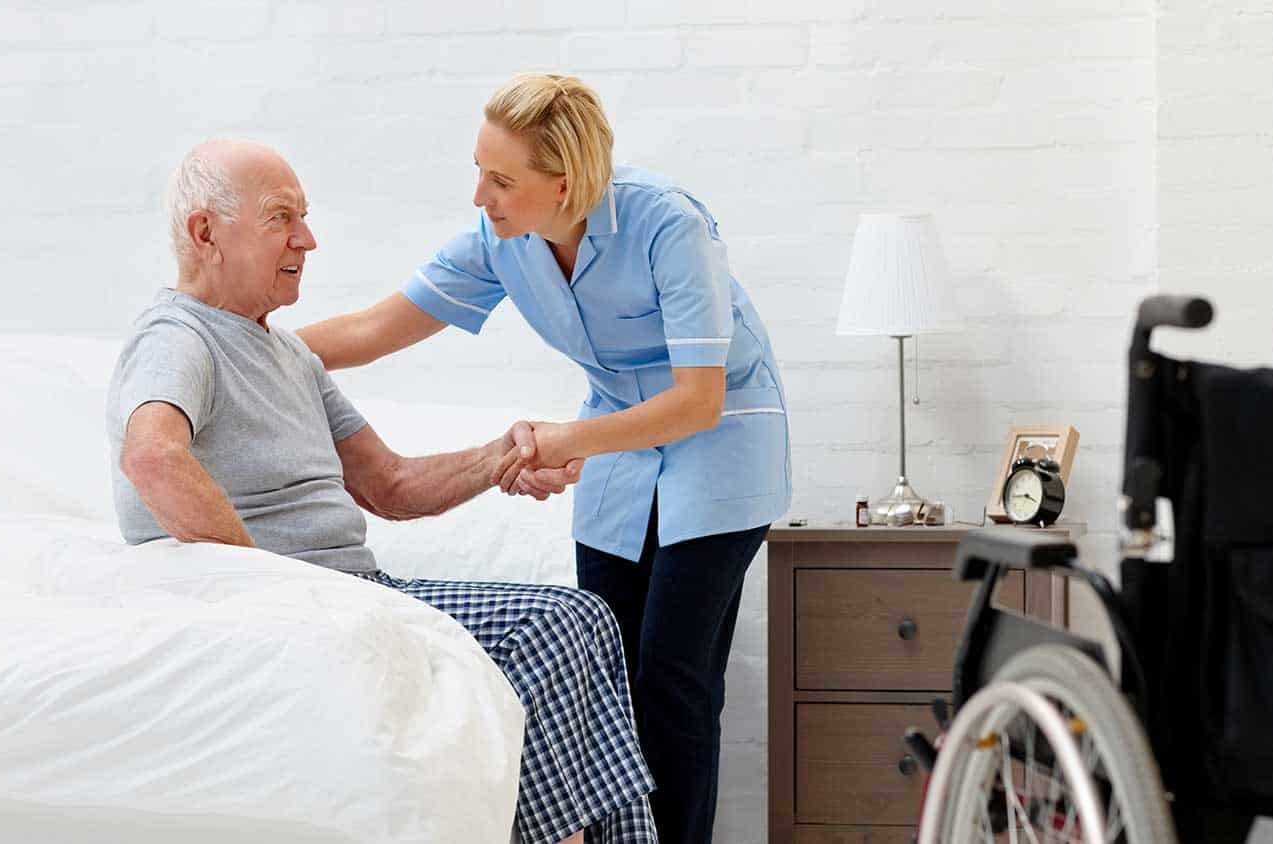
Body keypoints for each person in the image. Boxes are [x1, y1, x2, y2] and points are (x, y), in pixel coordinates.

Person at [108, 138, 656, 844]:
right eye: (282, 218)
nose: (307, 239)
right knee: (546, 628)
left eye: (303, 218)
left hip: (357, 589)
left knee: (586, 621)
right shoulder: (178, 337)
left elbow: (390, 485)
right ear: (205, 232)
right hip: (307, 600)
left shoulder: (288, 353)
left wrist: (503, 455)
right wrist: (269, 587)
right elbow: (151, 456)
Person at [298, 73, 791, 841]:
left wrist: (568, 443)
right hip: (618, 447)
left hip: (721, 443)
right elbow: (375, 326)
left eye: (500, 179)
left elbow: (699, 399)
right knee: (608, 682)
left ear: (564, 184)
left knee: (674, 680)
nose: (479, 196)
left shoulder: (667, 224)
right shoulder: (501, 240)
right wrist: (246, 347)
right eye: (479, 170)